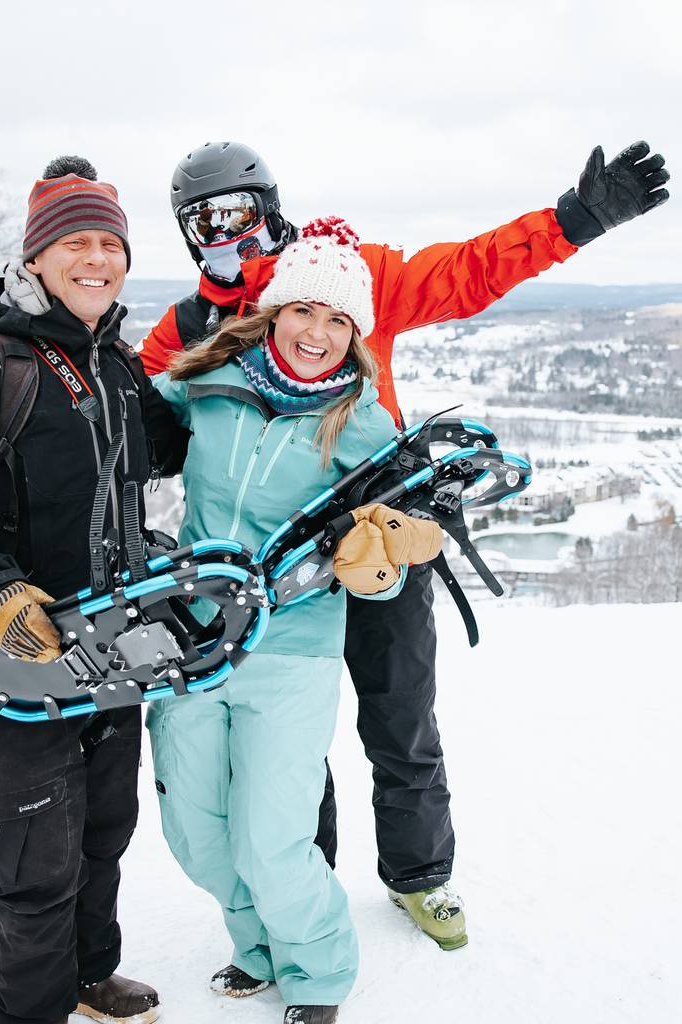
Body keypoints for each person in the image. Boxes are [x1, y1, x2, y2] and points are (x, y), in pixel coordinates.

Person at [140, 138, 670, 950]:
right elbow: (129, 419)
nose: (227, 232)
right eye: (205, 221)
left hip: (375, 536)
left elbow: (464, 272)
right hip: (267, 577)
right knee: (282, 743)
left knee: (400, 716)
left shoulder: (344, 272)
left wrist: (574, 220)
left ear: (269, 208)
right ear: (186, 234)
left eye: (240, 213)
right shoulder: (185, 328)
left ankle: (420, 877)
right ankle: (295, 890)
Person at [0, 156, 188, 1024]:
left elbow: (176, 448)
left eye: (110, 243)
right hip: (16, 659)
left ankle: (91, 974)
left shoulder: (118, 367)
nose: (97, 259)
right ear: (39, 257)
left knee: (102, 833)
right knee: (37, 858)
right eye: (76, 242)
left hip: (113, 650)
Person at [148, 217, 445, 1024]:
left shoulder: (365, 425)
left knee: (272, 838)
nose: (317, 333)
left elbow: (393, 556)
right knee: (197, 833)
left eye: (339, 320)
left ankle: (315, 975)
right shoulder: (205, 383)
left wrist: (383, 566)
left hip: (295, 648)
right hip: (194, 636)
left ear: (357, 334)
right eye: (305, 312)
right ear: (273, 311)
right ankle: (258, 949)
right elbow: (116, 443)